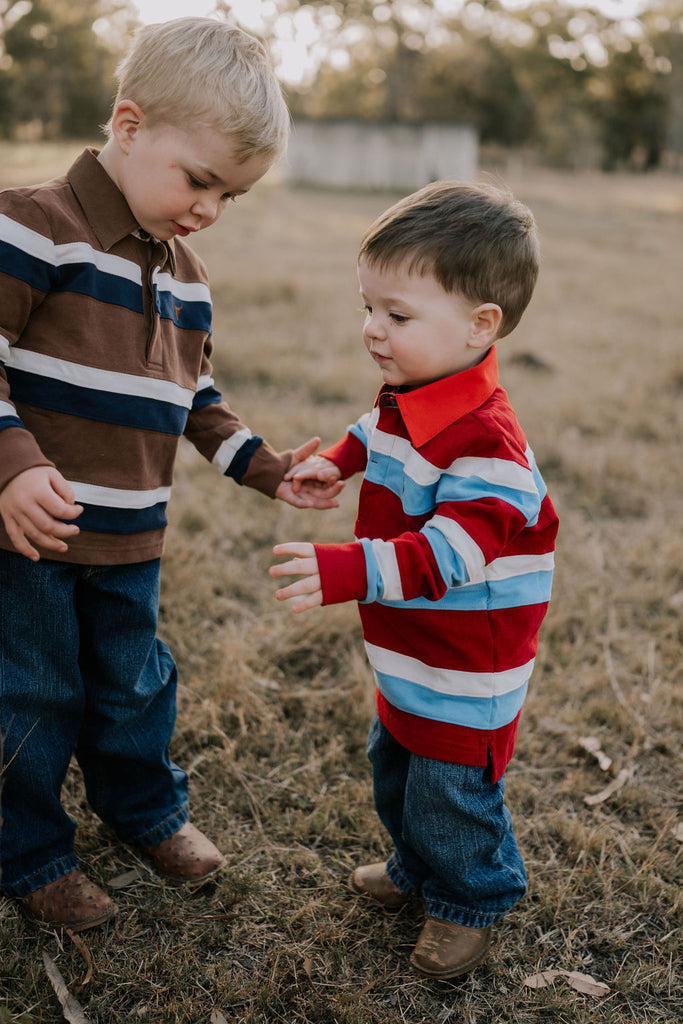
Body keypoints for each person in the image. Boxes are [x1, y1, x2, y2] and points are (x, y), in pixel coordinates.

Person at [0, 17, 341, 932]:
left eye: (231, 196)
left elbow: (195, 397)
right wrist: (12, 465)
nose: (207, 210)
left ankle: (143, 810)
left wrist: (268, 469)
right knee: (31, 692)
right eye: (199, 180)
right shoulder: (31, 227)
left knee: (134, 682)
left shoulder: (187, 276)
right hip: (30, 534)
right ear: (128, 123)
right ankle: (30, 853)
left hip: (131, 536)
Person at [270, 181, 559, 980]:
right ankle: (412, 869)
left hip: (468, 666)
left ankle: (470, 895)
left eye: (395, 316)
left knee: (449, 790)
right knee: (393, 760)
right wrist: (339, 458)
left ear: (480, 325)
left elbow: (448, 556)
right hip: (413, 651)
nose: (371, 330)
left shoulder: (490, 447)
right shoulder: (415, 392)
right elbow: (376, 429)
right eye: (367, 307)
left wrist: (346, 570)